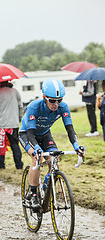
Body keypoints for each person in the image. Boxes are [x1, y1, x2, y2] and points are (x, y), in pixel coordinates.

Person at [19, 79, 85, 211]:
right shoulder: (34, 107)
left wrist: (76, 146)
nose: (56, 104)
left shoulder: (63, 107)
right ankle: (33, 194)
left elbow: (70, 129)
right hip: (27, 134)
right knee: (36, 158)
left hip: (44, 134)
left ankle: (46, 187)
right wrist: (37, 149)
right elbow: (31, 134)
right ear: (44, 98)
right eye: (52, 101)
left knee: (55, 161)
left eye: (59, 100)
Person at [0, 81, 23, 170]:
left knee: (0, 145)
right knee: (15, 144)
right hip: (13, 123)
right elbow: (20, 106)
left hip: (0, 124)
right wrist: (19, 117)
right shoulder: (15, 91)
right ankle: (19, 165)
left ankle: (1, 165)